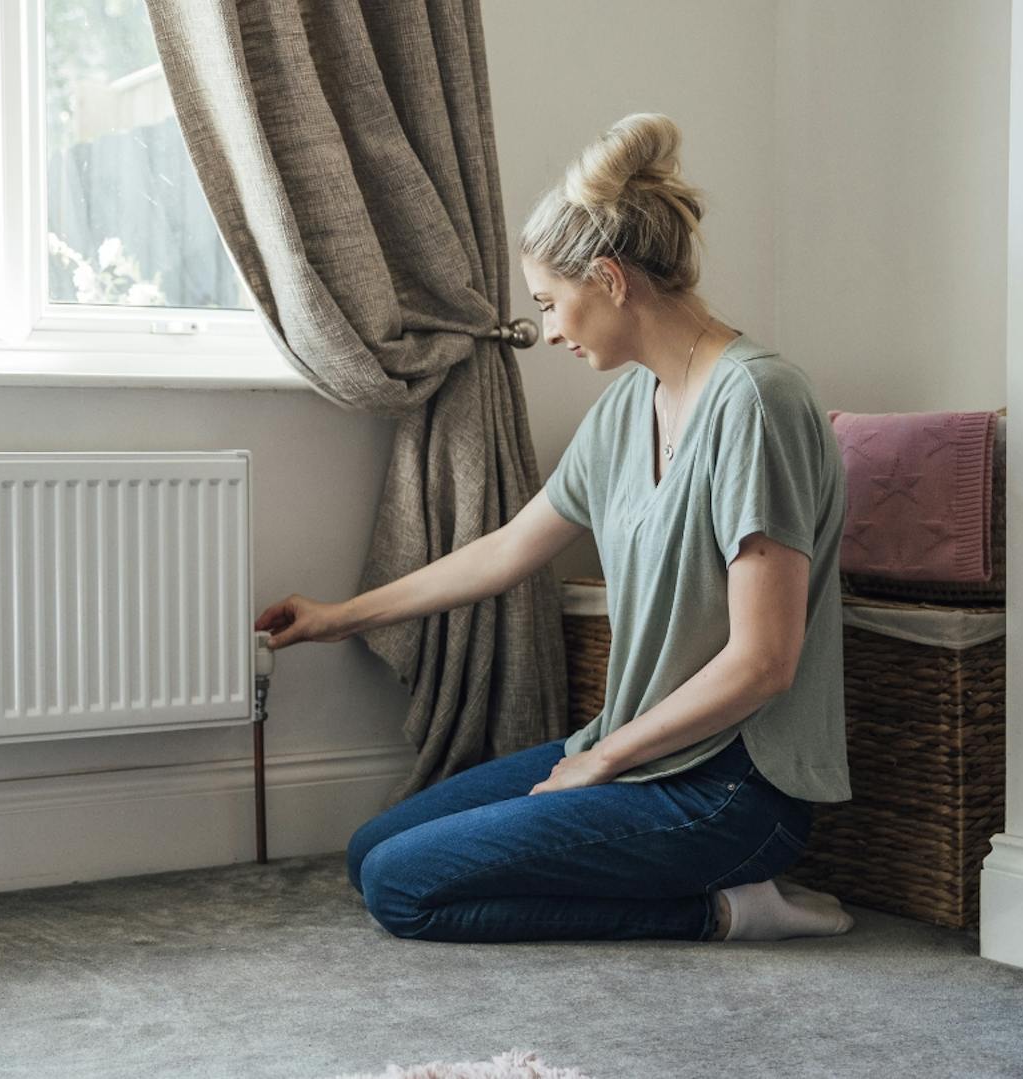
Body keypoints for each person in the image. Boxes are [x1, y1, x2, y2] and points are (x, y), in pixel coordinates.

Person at [253, 113, 857, 944]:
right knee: (370, 851)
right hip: (634, 751)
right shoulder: (622, 411)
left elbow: (764, 661)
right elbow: (506, 551)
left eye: (550, 303)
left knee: (403, 890)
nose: (550, 331)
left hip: (729, 789)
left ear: (608, 278)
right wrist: (336, 615)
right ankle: (701, 878)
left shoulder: (758, 402)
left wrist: (601, 763)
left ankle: (728, 908)